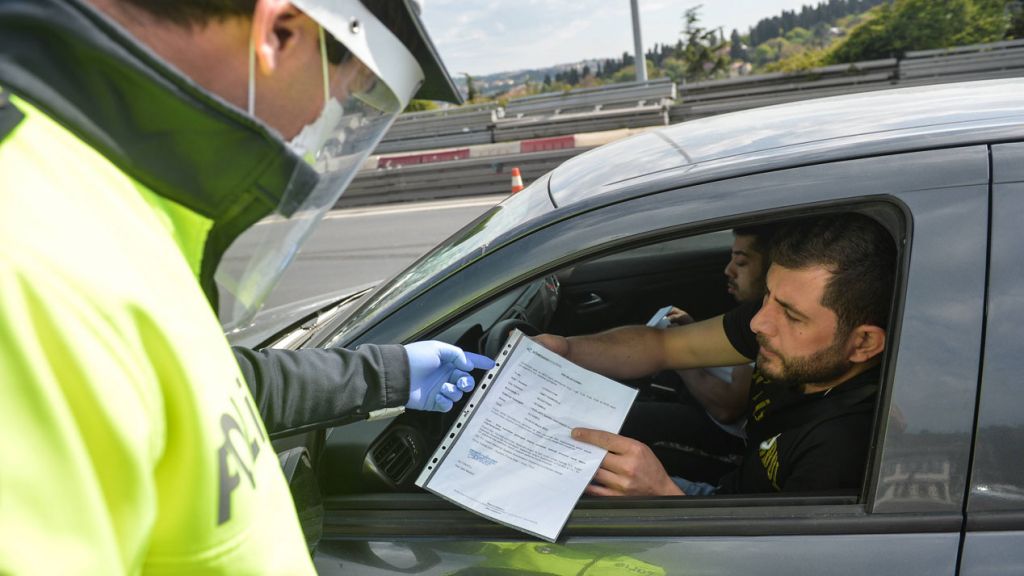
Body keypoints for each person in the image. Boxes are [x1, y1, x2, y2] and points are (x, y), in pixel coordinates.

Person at [0, 0, 491, 573]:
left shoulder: (104, 188)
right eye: (341, 95)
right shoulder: (30, 250)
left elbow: (199, 383)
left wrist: (392, 375)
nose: (320, 122)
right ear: (278, 32)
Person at [536, 214, 896, 497]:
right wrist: (564, 349)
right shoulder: (776, 330)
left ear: (863, 343)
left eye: (791, 314)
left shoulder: (843, 450)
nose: (758, 322)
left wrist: (662, 494)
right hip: (728, 489)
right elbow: (661, 346)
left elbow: (774, 560)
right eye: (766, 296)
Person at [622, 226, 775, 483]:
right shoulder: (747, 314)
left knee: (631, 420)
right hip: (709, 411)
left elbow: (727, 407)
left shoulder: (761, 325)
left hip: (727, 434)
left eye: (741, 262)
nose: (729, 270)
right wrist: (692, 330)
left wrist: (677, 357)